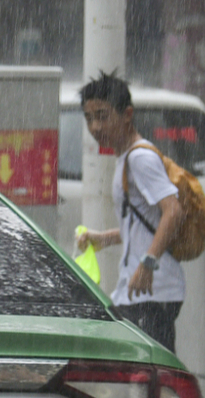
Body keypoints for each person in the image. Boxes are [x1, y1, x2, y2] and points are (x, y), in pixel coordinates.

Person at [74, 72, 186, 351]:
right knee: (138, 369)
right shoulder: (127, 158)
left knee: (149, 371)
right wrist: (106, 238)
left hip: (151, 292)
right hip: (139, 293)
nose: (95, 126)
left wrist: (148, 264)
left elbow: (173, 211)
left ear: (127, 115)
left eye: (102, 116)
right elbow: (146, 223)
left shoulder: (140, 158)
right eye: (89, 118)